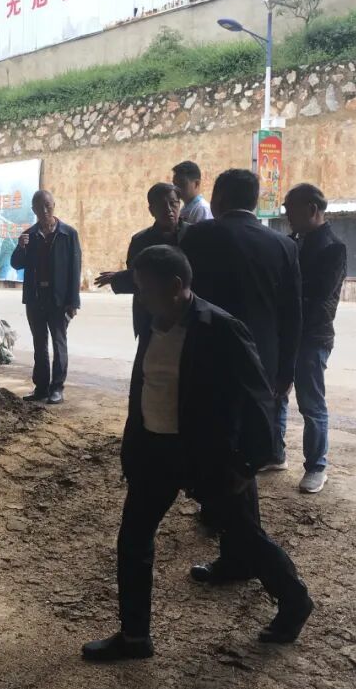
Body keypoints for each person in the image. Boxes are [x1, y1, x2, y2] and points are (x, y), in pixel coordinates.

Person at [81, 246, 313, 663]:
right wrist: (133, 447)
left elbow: (258, 398)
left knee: (243, 536)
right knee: (133, 540)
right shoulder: (152, 323)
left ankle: (294, 600)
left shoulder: (221, 329)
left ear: (176, 286)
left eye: (145, 289)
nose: (140, 298)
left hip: (206, 454)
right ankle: (134, 637)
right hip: (154, 451)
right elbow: (146, 387)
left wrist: (248, 462)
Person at [180, 169, 302, 473]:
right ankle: (243, 489)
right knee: (251, 435)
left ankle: (213, 491)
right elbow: (292, 314)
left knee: (212, 431)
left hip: (208, 352)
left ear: (219, 198)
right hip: (263, 357)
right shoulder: (284, 246)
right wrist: (286, 370)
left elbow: (181, 295)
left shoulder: (197, 236)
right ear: (254, 201)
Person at [282, 184, 347, 494]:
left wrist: (287, 293)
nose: (286, 215)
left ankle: (316, 466)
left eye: (290, 209)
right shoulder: (292, 242)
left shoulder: (332, 248)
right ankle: (275, 453)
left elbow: (317, 294)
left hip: (312, 335)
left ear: (311, 209)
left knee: (310, 403)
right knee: (277, 393)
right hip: (287, 332)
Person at [11, 190, 82, 405]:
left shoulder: (68, 234)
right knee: (39, 344)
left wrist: (73, 301)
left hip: (58, 299)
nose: (44, 211)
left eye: (48, 205)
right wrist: (20, 247)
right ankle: (41, 388)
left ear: (54, 205)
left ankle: (57, 388)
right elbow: (16, 264)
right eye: (39, 207)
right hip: (35, 298)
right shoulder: (29, 235)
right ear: (33, 210)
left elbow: (75, 269)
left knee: (59, 343)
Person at [94, 182, 187, 339]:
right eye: (162, 205)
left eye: (173, 203)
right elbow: (138, 279)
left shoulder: (194, 236)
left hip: (185, 318)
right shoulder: (140, 241)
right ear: (151, 210)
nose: (169, 209)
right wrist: (119, 278)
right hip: (150, 320)